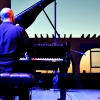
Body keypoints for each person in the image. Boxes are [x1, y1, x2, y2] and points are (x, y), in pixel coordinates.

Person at [0, 7, 34, 100]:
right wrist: (29, 56)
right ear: (13, 17)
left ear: (1, 18)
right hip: (13, 67)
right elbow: (30, 49)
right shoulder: (19, 30)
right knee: (27, 71)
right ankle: (23, 95)